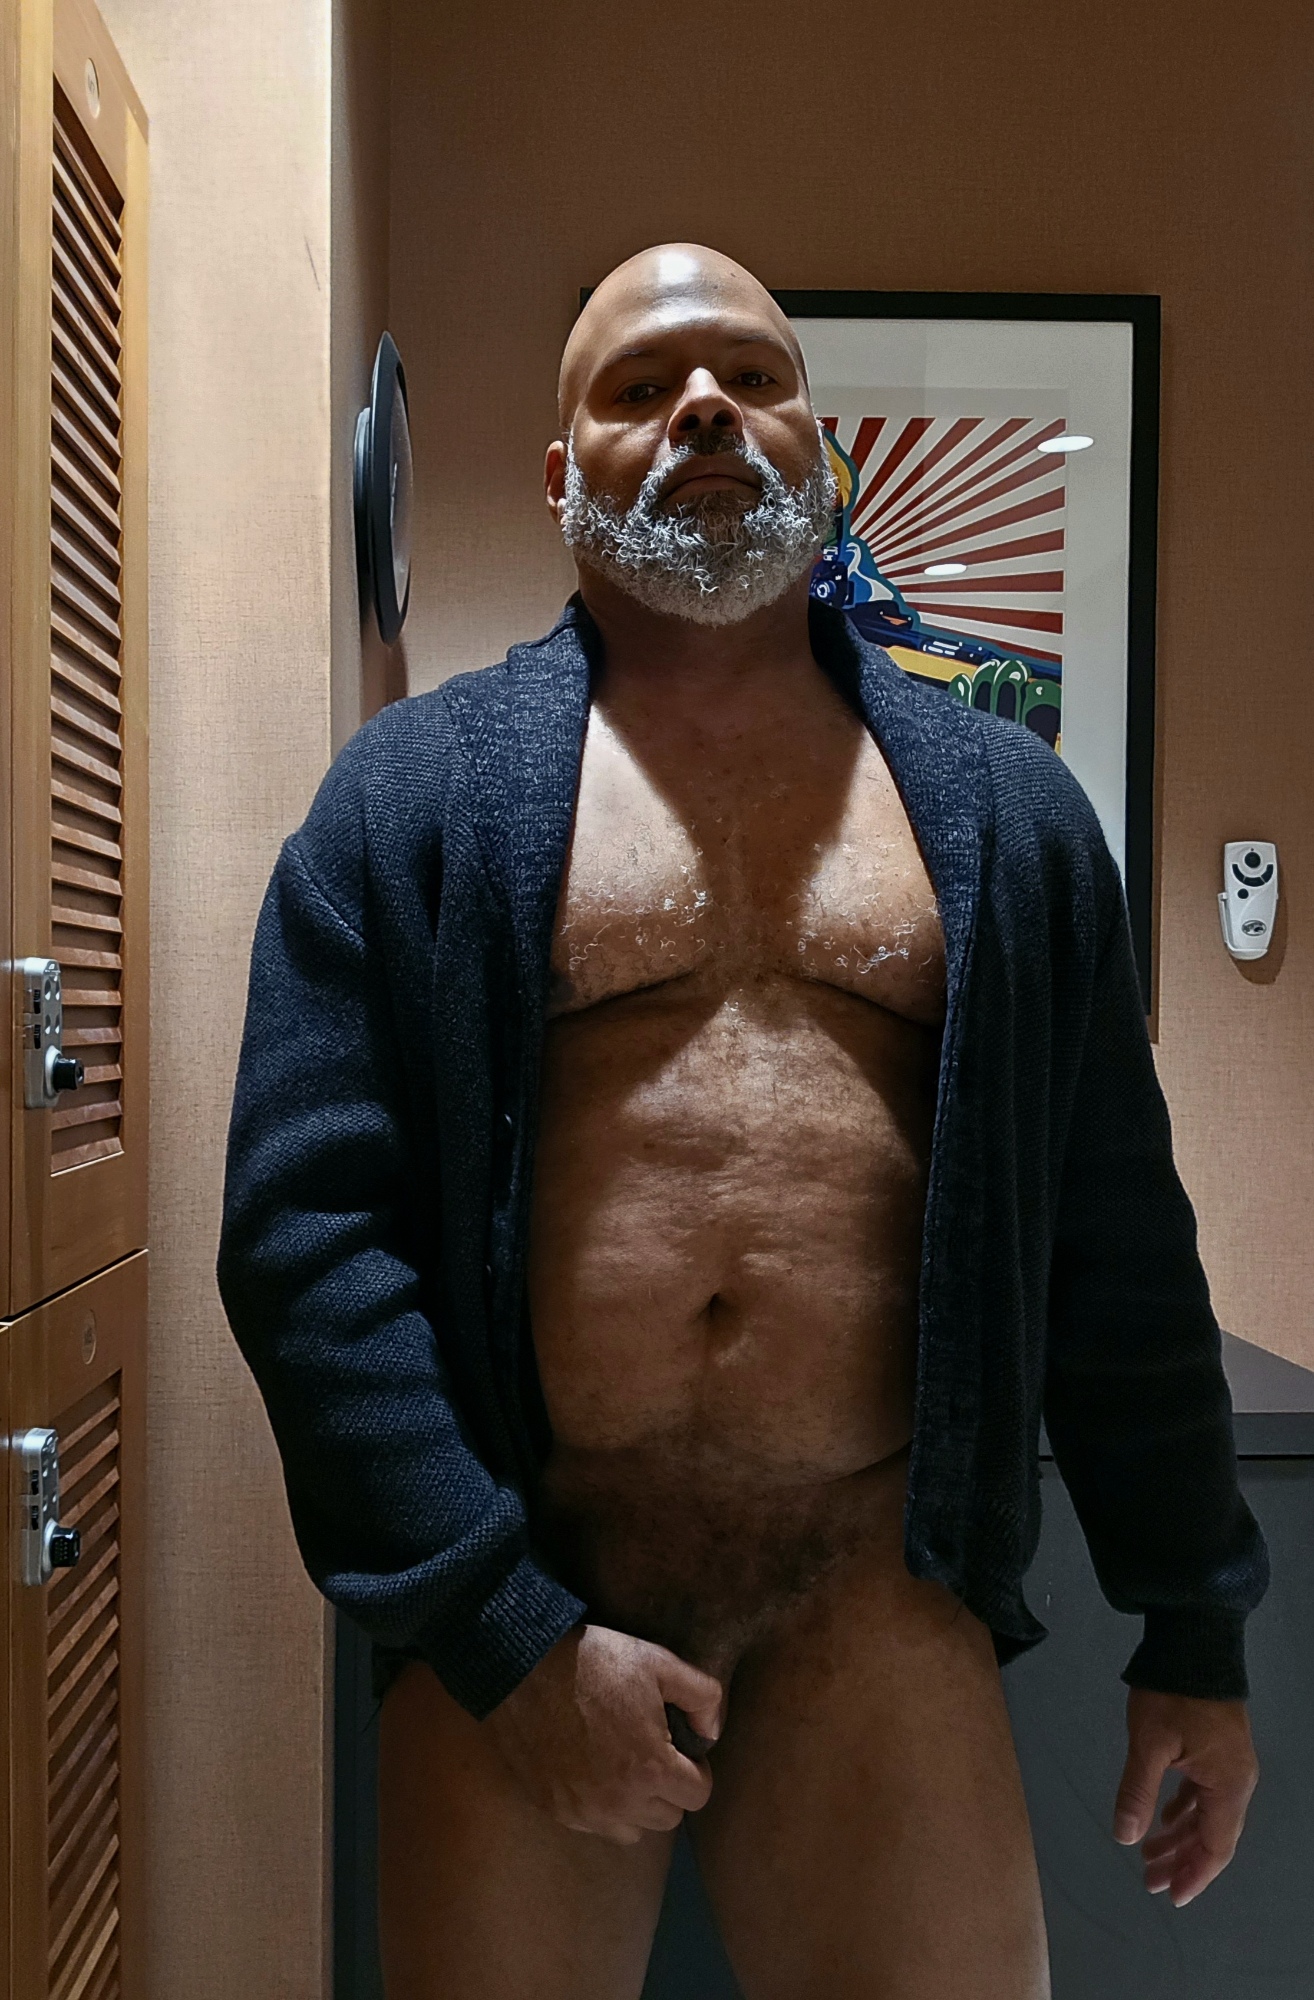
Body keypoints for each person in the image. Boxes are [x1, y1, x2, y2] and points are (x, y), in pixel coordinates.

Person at [218, 244, 1268, 1999]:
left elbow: (1115, 1247)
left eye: (750, 377)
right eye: (639, 388)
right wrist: (495, 1625)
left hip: (870, 1588)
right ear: (560, 476)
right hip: (534, 1582)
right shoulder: (412, 801)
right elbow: (306, 1245)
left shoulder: (1006, 815)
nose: (703, 405)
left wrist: (1194, 1624)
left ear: (817, 446)